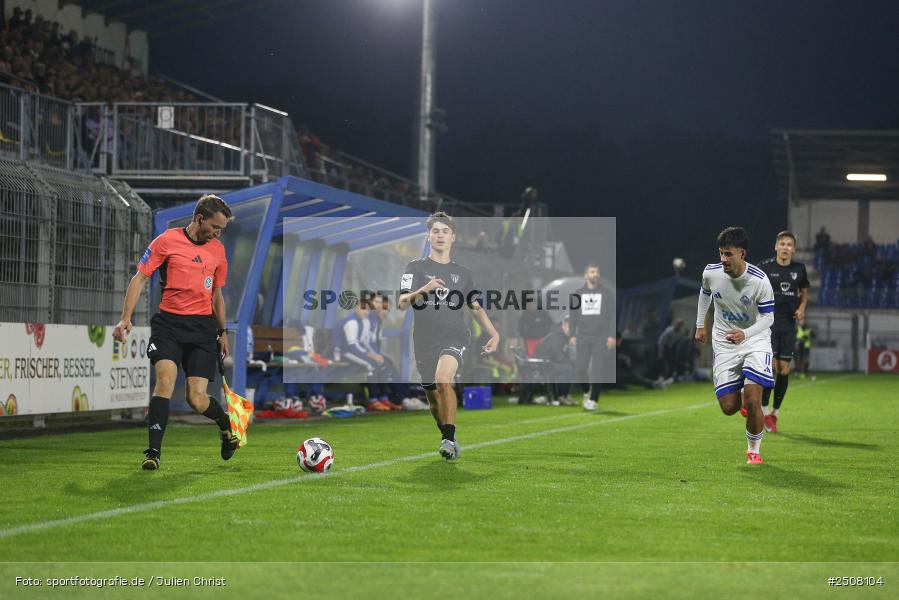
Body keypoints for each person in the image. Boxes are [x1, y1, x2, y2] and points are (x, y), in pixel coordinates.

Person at [113, 194, 238, 470]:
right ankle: (153, 452)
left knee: (196, 399)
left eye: (221, 230)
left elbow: (217, 295)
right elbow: (140, 278)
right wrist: (125, 318)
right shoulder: (167, 241)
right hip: (168, 325)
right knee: (165, 381)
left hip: (202, 328)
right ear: (199, 218)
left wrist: (223, 332)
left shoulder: (218, 250)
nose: (218, 234)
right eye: (215, 227)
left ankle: (225, 423)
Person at [398, 212, 500, 461]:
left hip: (455, 336)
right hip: (423, 341)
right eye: (436, 231)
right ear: (428, 236)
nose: (440, 235)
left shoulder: (463, 273)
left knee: (444, 379)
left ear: (453, 237)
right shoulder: (415, 267)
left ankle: (449, 439)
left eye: (445, 231)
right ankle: (446, 433)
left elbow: (474, 306)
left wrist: (494, 333)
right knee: (434, 401)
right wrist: (425, 289)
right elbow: (401, 303)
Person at [694, 226, 775, 465]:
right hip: (724, 344)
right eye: (721, 253)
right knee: (729, 407)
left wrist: (746, 333)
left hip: (755, 341)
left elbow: (768, 318)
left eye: (728, 254)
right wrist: (700, 325)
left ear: (742, 254)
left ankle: (754, 450)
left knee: (752, 400)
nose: (723, 259)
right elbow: (704, 294)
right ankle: (739, 390)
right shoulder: (711, 273)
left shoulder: (760, 280)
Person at [757, 231, 809, 433]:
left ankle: (774, 414)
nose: (786, 247)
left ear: (793, 249)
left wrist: (802, 308)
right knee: (769, 369)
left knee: (784, 369)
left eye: (789, 244)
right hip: (768, 324)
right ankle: (762, 410)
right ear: (776, 247)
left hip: (788, 325)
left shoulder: (799, 269)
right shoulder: (765, 268)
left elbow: (804, 294)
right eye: (782, 244)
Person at [569, 264, 616, 411]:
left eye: (597, 272)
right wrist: (572, 334)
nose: (596, 274)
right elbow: (573, 316)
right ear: (586, 275)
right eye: (592, 272)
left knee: (597, 368)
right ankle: (586, 391)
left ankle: (594, 399)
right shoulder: (578, 294)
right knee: (580, 368)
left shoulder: (606, 293)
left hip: (600, 336)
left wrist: (611, 335)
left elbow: (612, 316)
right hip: (583, 335)